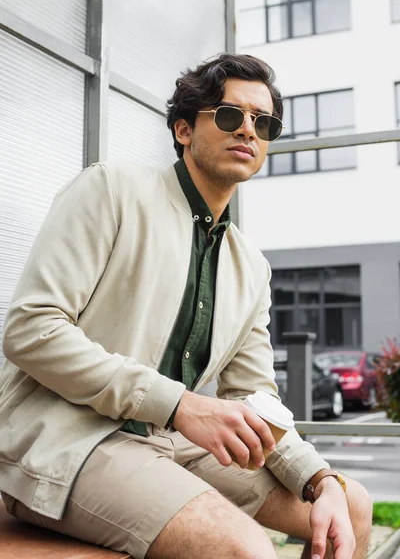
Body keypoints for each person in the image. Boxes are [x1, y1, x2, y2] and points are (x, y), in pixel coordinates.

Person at [0, 53, 371, 559]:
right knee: (244, 547)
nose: (248, 131)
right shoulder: (111, 190)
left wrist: (316, 477)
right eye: (228, 115)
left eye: (264, 123)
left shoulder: (249, 265)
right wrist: (180, 405)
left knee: (350, 506)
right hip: (70, 439)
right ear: (183, 129)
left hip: (168, 442)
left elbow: (255, 395)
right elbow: (31, 330)